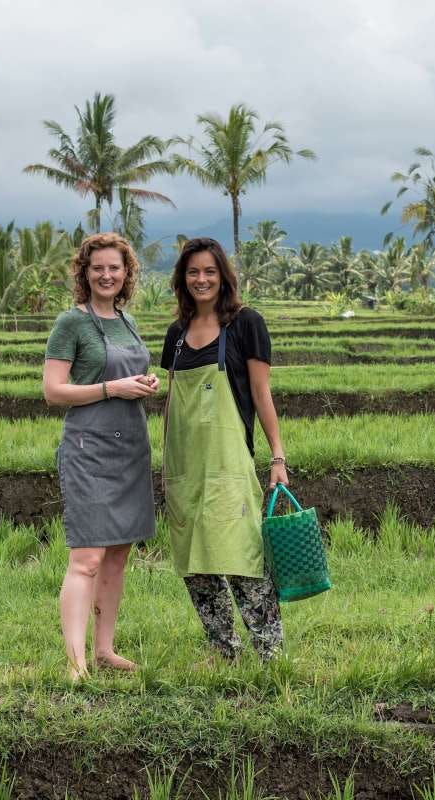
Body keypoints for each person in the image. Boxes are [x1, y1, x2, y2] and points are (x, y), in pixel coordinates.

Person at [159, 237, 289, 662]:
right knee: (195, 562)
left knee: (242, 555)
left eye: (209, 272)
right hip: (184, 466)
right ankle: (222, 649)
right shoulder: (176, 335)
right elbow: (171, 401)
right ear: (183, 279)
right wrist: (163, 465)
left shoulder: (245, 323)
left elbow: (261, 393)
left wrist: (277, 457)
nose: (201, 279)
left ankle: (270, 653)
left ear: (223, 276)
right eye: (193, 272)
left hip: (228, 465)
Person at [43, 232, 159, 681]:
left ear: (127, 273)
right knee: (86, 558)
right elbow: (53, 391)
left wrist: (142, 384)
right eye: (98, 268)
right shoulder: (71, 323)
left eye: (115, 267)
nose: (106, 275)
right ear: (84, 273)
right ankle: (75, 663)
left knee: (116, 556)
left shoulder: (127, 322)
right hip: (89, 448)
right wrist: (112, 388)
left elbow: (127, 375)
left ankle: (105, 649)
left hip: (130, 446)